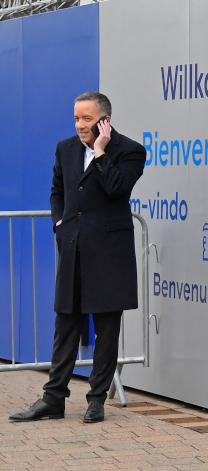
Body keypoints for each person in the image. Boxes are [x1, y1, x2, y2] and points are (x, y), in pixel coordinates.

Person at [10, 92, 145, 424]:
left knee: (106, 328)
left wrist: (99, 152)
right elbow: (57, 190)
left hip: (110, 253)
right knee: (66, 323)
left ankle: (96, 400)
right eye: (76, 118)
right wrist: (59, 223)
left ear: (104, 121)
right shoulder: (65, 148)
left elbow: (117, 189)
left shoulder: (130, 151)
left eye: (87, 119)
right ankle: (53, 398)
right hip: (73, 248)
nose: (80, 125)